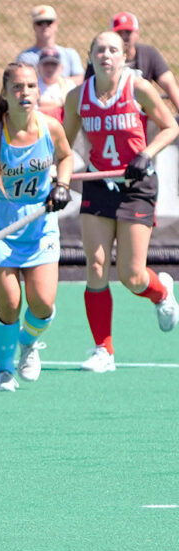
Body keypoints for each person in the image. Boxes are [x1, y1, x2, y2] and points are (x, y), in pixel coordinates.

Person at [63, 32, 179, 373]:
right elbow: (63, 145)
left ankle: (160, 293)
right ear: (90, 55)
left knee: (131, 276)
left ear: (124, 55)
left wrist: (146, 153)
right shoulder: (77, 97)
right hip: (98, 183)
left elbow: (170, 127)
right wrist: (59, 177)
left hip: (136, 186)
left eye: (113, 49)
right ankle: (104, 351)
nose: (106, 55)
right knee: (96, 266)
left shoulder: (138, 88)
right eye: (100, 49)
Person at [0, 63, 74, 392]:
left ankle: (28, 344)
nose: (24, 93)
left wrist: (63, 186)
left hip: (40, 226)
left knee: (41, 303)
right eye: (17, 87)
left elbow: (66, 157)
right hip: (0, 227)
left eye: (30, 86)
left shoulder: (50, 128)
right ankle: (2, 370)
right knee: (10, 303)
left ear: (38, 92)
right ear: (4, 93)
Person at [81, 12, 179, 114]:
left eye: (128, 32)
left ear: (137, 33)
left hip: (145, 115)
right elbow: (88, 93)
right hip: (109, 115)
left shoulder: (149, 54)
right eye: (119, 32)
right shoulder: (102, 60)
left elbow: (169, 85)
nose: (124, 36)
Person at [16, 6, 84, 85]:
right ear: (34, 26)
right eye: (40, 23)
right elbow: (22, 82)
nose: (44, 26)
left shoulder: (70, 54)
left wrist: (54, 86)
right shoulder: (25, 57)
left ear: (56, 24)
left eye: (49, 22)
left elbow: (80, 79)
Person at [35, 48, 75, 122]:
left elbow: (73, 110)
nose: (50, 68)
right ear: (38, 67)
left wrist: (44, 104)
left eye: (54, 64)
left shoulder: (68, 85)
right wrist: (60, 103)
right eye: (46, 64)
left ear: (61, 67)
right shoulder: (32, 85)